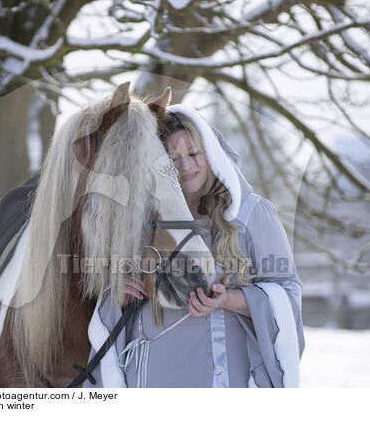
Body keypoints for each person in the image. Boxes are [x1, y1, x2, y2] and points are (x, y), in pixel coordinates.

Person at [83, 104, 305, 388]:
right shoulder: (144, 219)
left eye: (193, 153)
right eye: (173, 159)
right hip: (151, 377)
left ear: (210, 153)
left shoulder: (251, 213)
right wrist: (120, 291)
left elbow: (287, 296)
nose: (186, 166)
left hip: (220, 379)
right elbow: (114, 298)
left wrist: (228, 300)